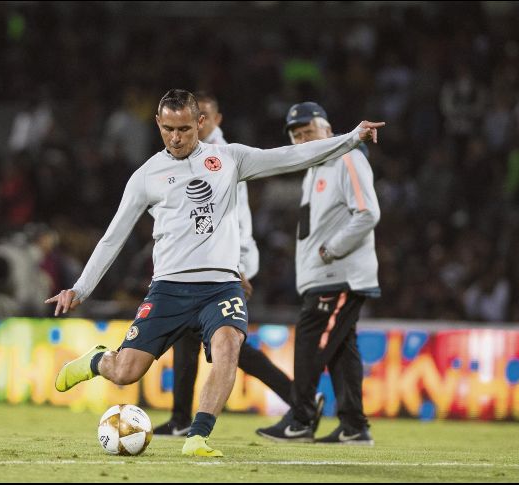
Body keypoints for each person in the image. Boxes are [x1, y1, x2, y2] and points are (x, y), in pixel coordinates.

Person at [45, 89, 384, 457]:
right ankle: (97, 360)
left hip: (221, 287)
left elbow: (290, 155)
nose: (176, 138)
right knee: (126, 372)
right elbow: (113, 238)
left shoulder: (229, 159)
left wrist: (351, 138)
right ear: (158, 124)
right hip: (168, 289)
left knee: (228, 347)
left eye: (185, 129)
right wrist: (79, 289)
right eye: (169, 129)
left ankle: (198, 437)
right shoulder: (146, 177)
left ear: (201, 124)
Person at [152, 92, 323, 438]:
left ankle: (301, 400)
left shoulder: (223, 158)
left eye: (208, 116)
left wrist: (238, 265)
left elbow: (237, 218)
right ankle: (182, 416)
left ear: (212, 119)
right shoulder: (185, 154)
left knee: (230, 347)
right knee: (188, 338)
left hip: (229, 262)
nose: (204, 123)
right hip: (200, 263)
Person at [256, 102, 380, 445]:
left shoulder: (348, 157)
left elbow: (367, 212)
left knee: (310, 343)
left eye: (308, 131)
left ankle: (300, 418)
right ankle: (354, 425)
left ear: (327, 128)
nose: (302, 139)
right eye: (297, 135)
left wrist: (331, 250)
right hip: (324, 276)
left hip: (339, 275)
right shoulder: (314, 169)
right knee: (342, 350)